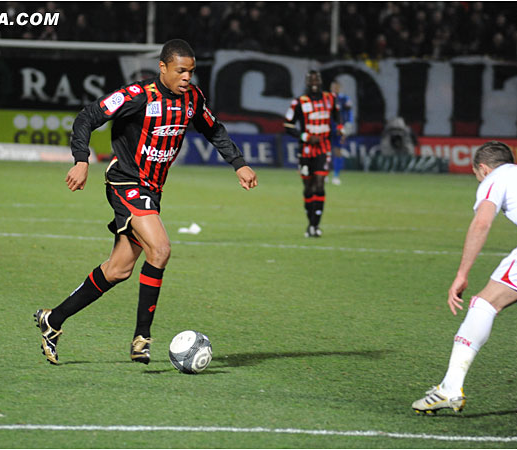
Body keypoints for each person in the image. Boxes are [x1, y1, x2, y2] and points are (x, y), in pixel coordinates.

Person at [34, 39, 258, 365]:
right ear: (163, 67)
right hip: (125, 181)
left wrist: (238, 163)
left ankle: (52, 320)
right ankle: (142, 338)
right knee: (161, 249)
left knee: (119, 269)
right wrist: (81, 160)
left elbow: (214, 130)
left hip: (152, 190)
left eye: (191, 72)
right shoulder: (138, 96)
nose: (186, 78)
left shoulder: (193, 99)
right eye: (180, 71)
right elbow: (87, 116)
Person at [412, 141, 517, 415]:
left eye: (476, 175)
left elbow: (482, 223)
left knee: (484, 303)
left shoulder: (496, 177)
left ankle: (450, 388)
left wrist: (462, 273)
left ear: (482, 168)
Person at [284, 70, 343, 238]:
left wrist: (339, 128)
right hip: (305, 151)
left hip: (324, 149)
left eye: (317, 79)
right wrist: (305, 136)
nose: (314, 82)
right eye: (311, 80)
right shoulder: (299, 102)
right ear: (307, 82)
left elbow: (337, 115)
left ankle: (314, 225)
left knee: (319, 184)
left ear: (321, 81)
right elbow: (287, 126)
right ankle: (310, 222)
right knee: (308, 188)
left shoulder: (330, 98)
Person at [329, 80, 354, 185]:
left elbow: (349, 113)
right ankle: (324, 173)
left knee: (338, 151)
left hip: (339, 129)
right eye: (333, 87)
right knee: (324, 151)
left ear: (340, 88)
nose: (335, 89)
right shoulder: (326, 98)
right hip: (327, 128)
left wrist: (349, 124)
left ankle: (336, 176)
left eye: (337, 87)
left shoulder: (344, 99)